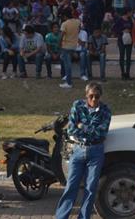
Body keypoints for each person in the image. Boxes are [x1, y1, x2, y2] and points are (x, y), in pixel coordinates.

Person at [54, 82, 112, 219]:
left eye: (96, 97)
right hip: (78, 149)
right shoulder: (77, 105)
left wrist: (82, 126)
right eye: (91, 96)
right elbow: (71, 129)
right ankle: (61, 217)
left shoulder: (106, 110)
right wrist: (89, 129)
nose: (93, 100)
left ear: (100, 97)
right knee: (71, 186)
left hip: (95, 151)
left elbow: (102, 133)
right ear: (86, 95)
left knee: (90, 189)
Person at [59, 8, 82, 88]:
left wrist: (59, 44)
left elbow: (61, 35)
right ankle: (68, 79)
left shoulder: (64, 24)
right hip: (73, 46)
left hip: (66, 46)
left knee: (67, 65)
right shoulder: (77, 22)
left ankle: (68, 82)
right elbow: (79, 30)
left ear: (65, 16)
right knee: (68, 63)